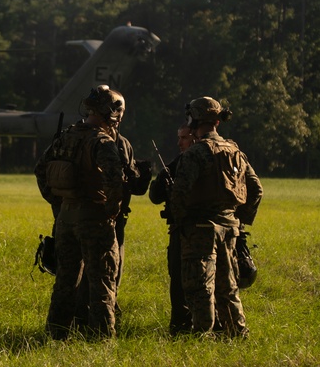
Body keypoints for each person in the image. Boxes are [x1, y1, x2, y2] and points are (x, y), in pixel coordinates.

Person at [34, 85, 150, 340]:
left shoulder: (66, 135)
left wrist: (59, 203)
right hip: (94, 219)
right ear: (111, 113)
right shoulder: (103, 142)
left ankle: (56, 334)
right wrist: (110, 213)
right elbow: (115, 184)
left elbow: (41, 170)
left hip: (65, 218)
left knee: (65, 281)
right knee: (102, 282)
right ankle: (101, 339)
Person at [169, 97, 262, 338]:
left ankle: (202, 335)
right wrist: (239, 220)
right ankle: (237, 333)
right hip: (229, 229)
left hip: (200, 228)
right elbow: (256, 189)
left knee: (199, 287)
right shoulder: (235, 151)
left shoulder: (196, 153)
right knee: (227, 287)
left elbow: (179, 193)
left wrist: (180, 224)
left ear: (194, 120)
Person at [148, 124, 195, 335]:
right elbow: (155, 196)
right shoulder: (177, 163)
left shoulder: (186, 161)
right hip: (186, 229)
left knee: (181, 281)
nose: (179, 143)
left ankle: (183, 327)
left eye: (184, 138)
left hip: (186, 231)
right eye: (179, 137)